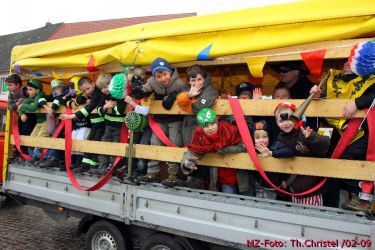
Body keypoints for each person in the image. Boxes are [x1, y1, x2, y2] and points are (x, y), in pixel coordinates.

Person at [310, 61, 375, 211]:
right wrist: (319, 97)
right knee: (336, 168)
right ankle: (361, 196)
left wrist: (357, 103)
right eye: (345, 61)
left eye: (351, 61)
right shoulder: (334, 81)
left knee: (345, 162)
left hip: (367, 133)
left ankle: (364, 194)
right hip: (343, 133)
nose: (346, 63)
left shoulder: (370, 80)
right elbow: (327, 116)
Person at [255, 102, 330, 206]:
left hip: (312, 190)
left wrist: (311, 137)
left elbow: (325, 144)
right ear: (276, 123)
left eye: (289, 119)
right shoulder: (280, 138)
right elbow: (287, 153)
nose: (285, 123)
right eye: (281, 121)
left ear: (296, 117)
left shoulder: (304, 132)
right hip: (295, 191)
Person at [131, 57, 186, 187]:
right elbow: (143, 91)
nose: (163, 79)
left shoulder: (179, 83)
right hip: (159, 119)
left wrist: (174, 96)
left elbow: (187, 94)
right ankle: (152, 172)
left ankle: (173, 174)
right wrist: (136, 89)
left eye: (165, 74)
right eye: (159, 76)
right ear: (155, 76)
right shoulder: (152, 82)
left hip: (176, 119)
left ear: (170, 73)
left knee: (175, 142)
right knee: (155, 142)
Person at [181, 108, 246, 193]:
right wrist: (186, 163)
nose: (210, 128)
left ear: (217, 122)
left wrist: (224, 149)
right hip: (216, 176)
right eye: (206, 126)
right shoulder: (200, 136)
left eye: (212, 124)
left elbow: (244, 147)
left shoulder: (229, 130)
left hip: (234, 175)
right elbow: (194, 150)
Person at [175, 65, 219, 188]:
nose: (196, 83)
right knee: (191, 154)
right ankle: (190, 181)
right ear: (189, 81)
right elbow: (179, 100)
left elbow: (198, 107)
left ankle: (201, 184)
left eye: (199, 79)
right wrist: (189, 96)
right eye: (193, 80)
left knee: (203, 157)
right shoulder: (187, 90)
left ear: (204, 79)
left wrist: (188, 103)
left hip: (204, 130)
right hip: (189, 129)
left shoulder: (210, 90)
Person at [60, 77, 105, 173]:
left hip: (102, 124)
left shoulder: (98, 92)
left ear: (93, 84)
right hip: (95, 124)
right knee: (89, 143)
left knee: (95, 143)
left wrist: (72, 116)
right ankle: (86, 165)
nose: (87, 92)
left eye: (88, 88)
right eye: (85, 90)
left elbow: (91, 106)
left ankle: (92, 166)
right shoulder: (93, 93)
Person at [94, 73, 127, 175]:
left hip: (119, 127)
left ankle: (112, 167)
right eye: (101, 88)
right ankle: (103, 165)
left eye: (105, 87)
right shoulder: (104, 95)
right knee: (104, 144)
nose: (103, 90)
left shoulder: (120, 94)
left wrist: (111, 106)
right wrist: (106, 106)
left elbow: (120, 110)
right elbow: (99, 110)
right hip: (108, 125)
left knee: (115, 147)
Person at [5, 74, 36, 161]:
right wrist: (18, 103)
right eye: (7, 85)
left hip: (30, 116)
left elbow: (32, 99)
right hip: (20, 116)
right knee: (18, 132)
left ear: (18, 85)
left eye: (10, 85)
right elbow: (10, 107)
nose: (8, 87)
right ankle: (18, 151)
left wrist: (23, 103)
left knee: (26, 131)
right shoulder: (11, 94)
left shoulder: (26, 90)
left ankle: (25, 152)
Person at [18, 79, 50, 164]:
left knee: (40, 138)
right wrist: (22, 113)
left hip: (47, 122)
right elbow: (24, 104)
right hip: (39, 122)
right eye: (28, 89)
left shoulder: (40, 95)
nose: (28, 92)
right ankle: (32, 157)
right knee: (32, 138)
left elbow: (34, 107)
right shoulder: (31, 97)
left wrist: (22, 106)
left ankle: (37, 157)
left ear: (37, 90)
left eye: (30, 89)